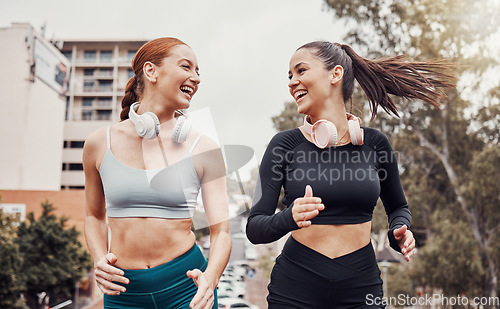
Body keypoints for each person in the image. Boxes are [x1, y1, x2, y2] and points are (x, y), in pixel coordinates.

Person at [246, 41, 455, 308]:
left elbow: (399, 207)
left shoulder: (376, 144)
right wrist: (290, 217)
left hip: (361, 285)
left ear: (335, 74)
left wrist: (398, 231)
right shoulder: (283, 145)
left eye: (300, 71)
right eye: (290, 76)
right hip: (296, 286)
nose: (292, 82)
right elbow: (254, 227)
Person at [83, 37, 231, 309]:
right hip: (123, 292)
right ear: (151, 71)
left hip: (188, 287)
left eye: (198, 72)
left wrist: (211, 278)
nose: (195, 78)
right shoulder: (98, 143)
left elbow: (222, 231)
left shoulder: (205, 148)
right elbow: (94, 215)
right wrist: (98, 258)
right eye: (186, 67)